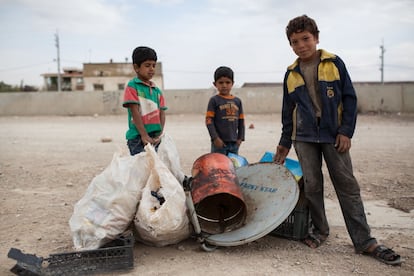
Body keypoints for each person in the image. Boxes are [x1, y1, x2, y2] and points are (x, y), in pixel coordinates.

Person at [274, 15, 402, 265]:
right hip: (305, 138)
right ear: (290, 45)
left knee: (347, 186)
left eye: (305, 39)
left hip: (334, 136)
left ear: (316, 38)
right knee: (312, 186)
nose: (301, 45)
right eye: (295, 41)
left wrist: (346, 131)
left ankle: (364, 241)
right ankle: (320, 230)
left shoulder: (334, 63)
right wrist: (284, 142)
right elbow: (287, 112)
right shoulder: (291, 74)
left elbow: (350, 99)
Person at [122, 46, 167, 155]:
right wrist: (144, 135)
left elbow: (162, 112)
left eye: (153, 65)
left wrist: (159, 134)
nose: (151, 69)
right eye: (147, 65)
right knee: (141, 168)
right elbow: (135, 112)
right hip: (137, 137)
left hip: (154, 137)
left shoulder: (156, 91)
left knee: (152, 167)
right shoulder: (133, 86)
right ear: (136, 67)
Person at [206, 66, 245, 155]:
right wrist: (215, 138)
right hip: (219, 143)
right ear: (215, 84)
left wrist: (240, 138)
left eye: (228, 82)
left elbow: (241, 121)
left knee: (233, 166)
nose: (224, 85)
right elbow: (209, 121)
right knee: (218, 166)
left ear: (232, 83)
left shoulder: (237, 101)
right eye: (221, 82)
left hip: (234, 143)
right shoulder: (214, 100)